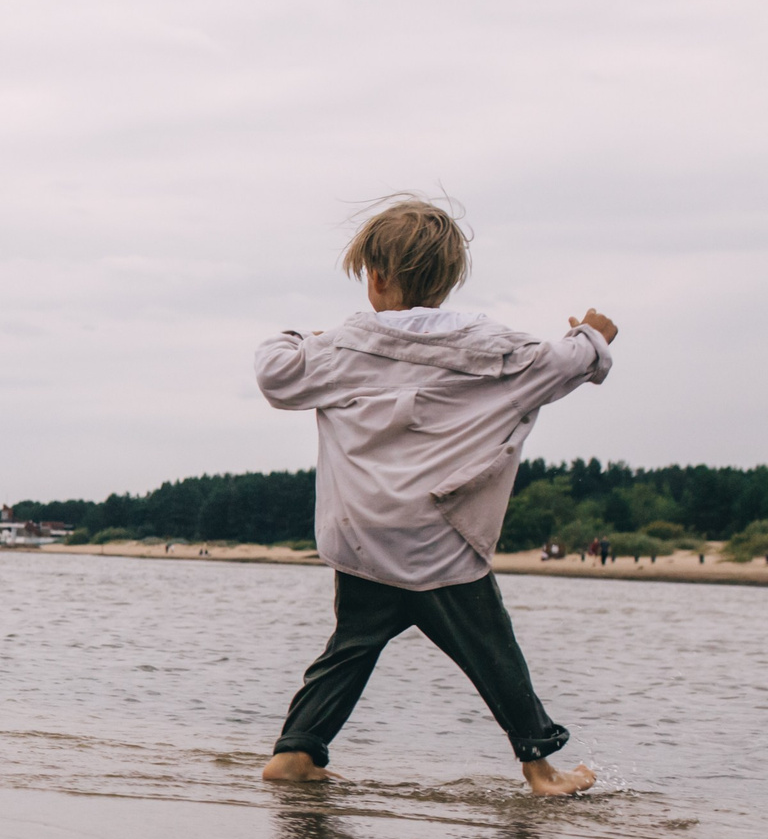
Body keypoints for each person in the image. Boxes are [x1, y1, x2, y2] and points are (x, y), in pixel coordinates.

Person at [254, 196, 611, 796]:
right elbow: (564, 364)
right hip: (441, 539)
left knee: (350, 646)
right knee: (492, 650)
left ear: (375, 276)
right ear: (448, 280)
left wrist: (299, 335)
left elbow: (274, 373)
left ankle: (295, 753)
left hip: (366, 536)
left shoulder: (344, 347)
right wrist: (592, 335)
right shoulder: (491, 347)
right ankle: (541, 770)